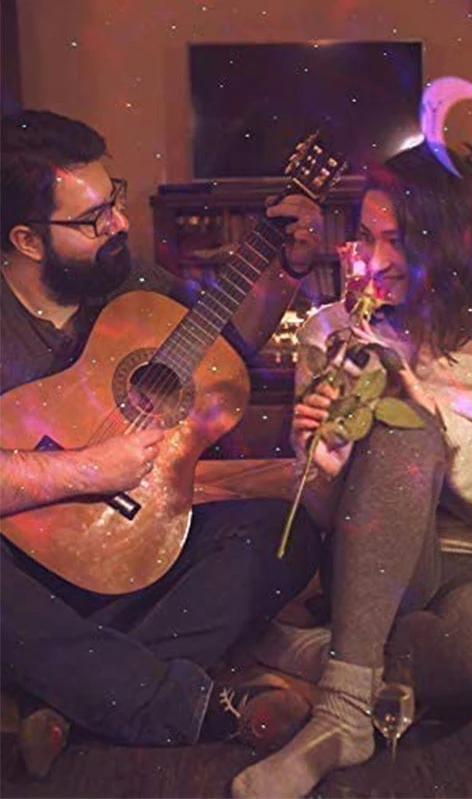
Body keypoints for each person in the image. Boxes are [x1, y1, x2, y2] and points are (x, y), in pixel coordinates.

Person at [232, 143, 472, 798]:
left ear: (452, 245)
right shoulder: (332, 333)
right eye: (366, 237)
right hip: (382, 567)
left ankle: (325, 652)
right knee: (402, 420)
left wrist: (440, 416)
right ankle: (344, 714)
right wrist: (321, 465)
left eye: (398, 240)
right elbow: (326, 515)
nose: (376, 259)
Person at [0, 109, 325, 767]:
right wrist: (89, 469)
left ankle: (69, 690)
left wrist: (285, 274)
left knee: (283, 532)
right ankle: (181, 705)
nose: (119, 223)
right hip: (23, 565)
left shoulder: (125, 281)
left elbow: (215, 353)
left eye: (114, 199)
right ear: (28, 240)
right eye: (93, 219)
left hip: (130, 550)